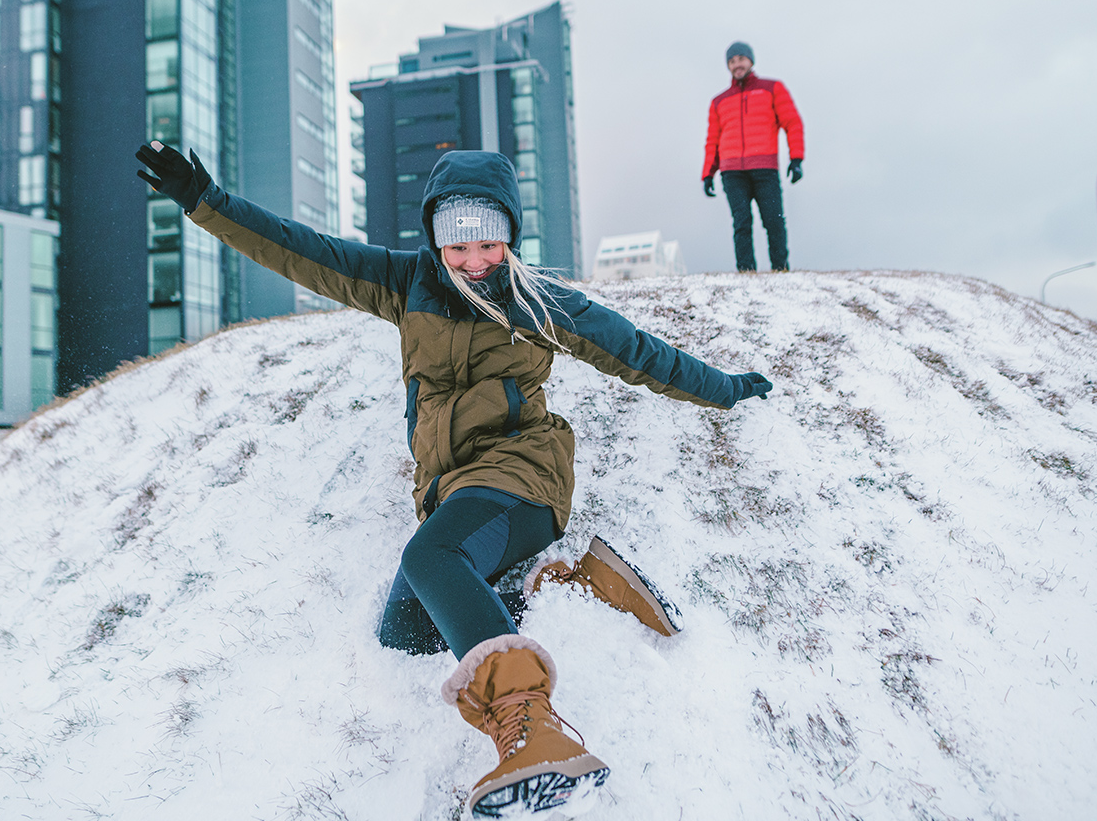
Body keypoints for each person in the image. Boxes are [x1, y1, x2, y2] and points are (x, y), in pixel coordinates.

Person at [135, 143, 773, 818]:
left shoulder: (537, 302)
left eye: (489, 245)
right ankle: (569, 584)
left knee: (431, 557)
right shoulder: (404, 283)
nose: (473, 262)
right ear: (435, 239)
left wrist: (726, 389)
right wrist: (205, 202)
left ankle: (533, 727)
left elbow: (638, 353)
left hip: (523, 475)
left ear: (510, 237)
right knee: (406, 634)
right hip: (452, 489)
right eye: (457, 246)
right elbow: (299, 251)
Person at [701, 41, 805, 272]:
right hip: (732, 171)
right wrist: (708, 173)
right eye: (732, 61)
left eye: (741, 59)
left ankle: (780, 270)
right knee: (741, 223)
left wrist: (796, 159)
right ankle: (746, 272)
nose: (736, 64)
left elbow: (792, 123)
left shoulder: (772, 88)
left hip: (764, 167)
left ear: (751, 61)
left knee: (774, 220)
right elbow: (713, 140)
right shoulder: (718, 101)